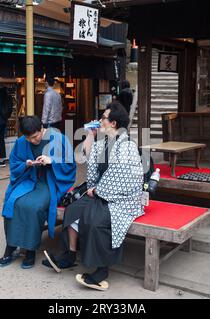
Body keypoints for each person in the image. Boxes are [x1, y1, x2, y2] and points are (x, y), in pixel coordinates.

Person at [42, 102, 144, 291]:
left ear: (113, 123)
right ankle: (69, 256)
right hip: (101, 192)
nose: (100, 120)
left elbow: (123, 176)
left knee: (96, 221)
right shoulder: (102, 142)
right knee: (73, 210)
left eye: (103, 117)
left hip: (122, 199)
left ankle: (101, 271)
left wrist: (98, 190)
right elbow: (87, 159)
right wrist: (91, 135)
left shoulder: (127, 145)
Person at [0, 116, 76, 269]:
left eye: (35, 137)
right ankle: (11, 246)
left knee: (33, 207)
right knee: (12, 202)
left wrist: (52, 161)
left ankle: (30, 249)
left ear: (42, 128)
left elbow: (69, 165)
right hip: (27, 179)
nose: (33, 141)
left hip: (49, 182)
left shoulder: (58, 138)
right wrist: (26, 164)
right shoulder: (22, 142)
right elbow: (14, 163)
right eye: (29, 138)